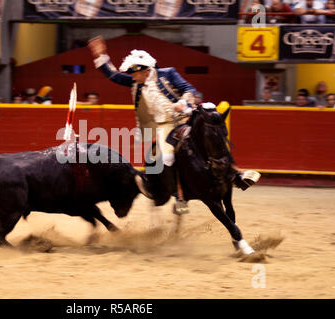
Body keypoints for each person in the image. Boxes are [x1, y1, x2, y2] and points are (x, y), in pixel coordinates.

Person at [87, 36, 260, 210]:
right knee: (167, 157)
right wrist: (101, 56)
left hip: (185, 118)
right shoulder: (136, 84)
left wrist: (183, 102)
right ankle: (179, 195)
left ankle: (236, 175)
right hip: (164, 126)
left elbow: (188, 88)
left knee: (215, 137)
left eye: (135, 74)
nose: (132, 77)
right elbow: (114, 76)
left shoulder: (168, 73)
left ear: (146, 71)